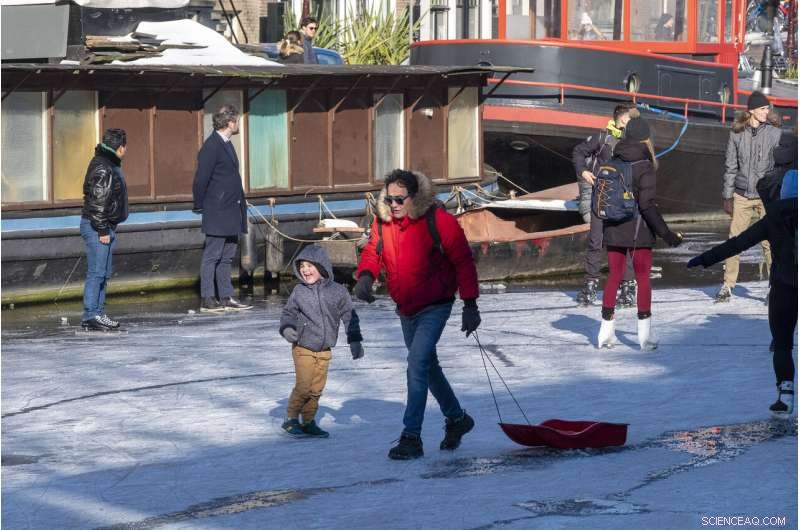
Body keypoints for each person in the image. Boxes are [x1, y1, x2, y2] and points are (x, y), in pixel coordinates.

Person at [354, 169, 480, 460]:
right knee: (427, 366)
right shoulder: (382, 223)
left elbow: (463, 261)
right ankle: (457, 419)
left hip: (435, 304)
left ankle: (411, 436)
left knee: (416, 363)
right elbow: (373, 252)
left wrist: (470, 304)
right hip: (405, 307)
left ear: (414, 197)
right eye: (389, 198)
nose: (394, 204)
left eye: (400, 199)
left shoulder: (440, 221)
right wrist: (365, 276)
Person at [688, 185, 797, 414]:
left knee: (782, 343)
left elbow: (739, 243)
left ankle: (785, 395)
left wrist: (705, 258)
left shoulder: (773, 218)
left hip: (784, 286)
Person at [597, 118, 683, 350]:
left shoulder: (613, 158)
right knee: (643, 278)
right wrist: (667, 234)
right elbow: (647, 206)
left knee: (614, 276)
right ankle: (644, 337)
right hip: (638, 231)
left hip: (613, 226)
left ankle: (605, 333)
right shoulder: (644, 165)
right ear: (645, 138)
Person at [279, 244, 364, 438]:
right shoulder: (299, 291)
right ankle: (291, 418)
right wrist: (288, 329)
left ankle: (308, 421)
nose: (305, 270)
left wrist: (355, 340)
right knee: (304, 386)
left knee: (316, 388)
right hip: (303, 346)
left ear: (322, 267)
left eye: (309, 266)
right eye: (302, 266)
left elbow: (350, 316)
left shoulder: (338, 291)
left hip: (325, 349)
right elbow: (288, 312)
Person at [716, 91, 782, 303]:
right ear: (752, 110)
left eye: (767, 108)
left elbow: (781, 165)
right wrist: (727, 196)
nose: (766, 112)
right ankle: (727, 285)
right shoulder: (736, 133)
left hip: (766, 196)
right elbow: (730, 166)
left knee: (770, 244)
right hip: (742, 195)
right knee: (734, 241)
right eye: (762, 108)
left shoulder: (775, 133)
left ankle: (775, 287)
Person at [572, 103, 639, 307]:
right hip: (601, 199)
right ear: (622, 119)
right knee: (595, 242)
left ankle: (627, 287)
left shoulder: (635, 141)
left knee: (624, 245)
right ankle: (590, 285)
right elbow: (578, 152)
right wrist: (583, 171)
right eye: (631, 119)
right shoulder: (602, 138)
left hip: (625, 203)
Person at [192, 104, 252, 312]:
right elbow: (201, 180)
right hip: (217, 210)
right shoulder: (211, 146)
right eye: (237, 122)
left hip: (232, 209)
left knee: (227, 256)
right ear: (230, 123)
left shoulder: (226, 143)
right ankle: (208, 298)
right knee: (212, 255)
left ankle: (226, 296)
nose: (238, 126)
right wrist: (199, 205)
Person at [80, 128, 129, 331]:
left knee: (104, 272)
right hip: (97, 226)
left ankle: (99, 312)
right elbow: (97, 203)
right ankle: (91, 314)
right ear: (120, 147)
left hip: (105, 225)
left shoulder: (108, 164)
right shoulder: (103, 167)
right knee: (97, 272)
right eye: (125, 147)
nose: (126, 150)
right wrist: (101, 231)